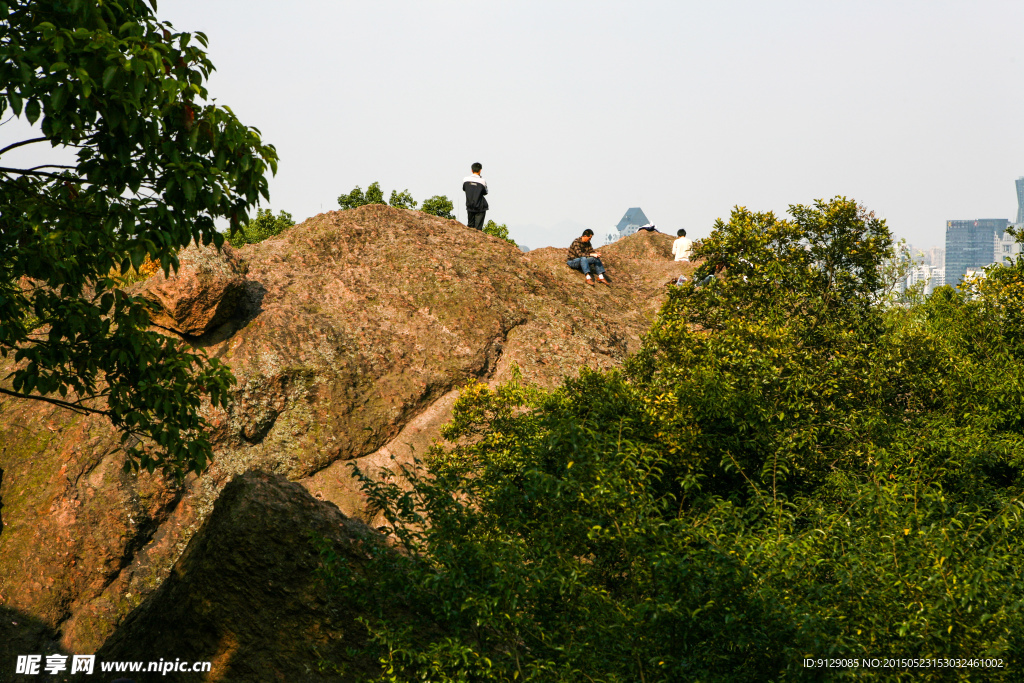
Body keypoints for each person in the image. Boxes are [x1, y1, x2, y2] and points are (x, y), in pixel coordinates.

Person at [462, 163, 488, 230]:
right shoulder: (482, 181)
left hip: (470, 205)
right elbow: (485, 192)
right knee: (478, 228)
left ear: (472, 170)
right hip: (480, 207)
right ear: (480, 170)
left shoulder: (465, 180)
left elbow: (464, 189)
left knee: (470, 226)